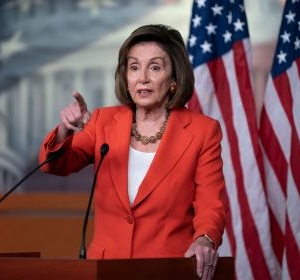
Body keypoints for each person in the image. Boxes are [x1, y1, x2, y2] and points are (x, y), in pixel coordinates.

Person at [39, 24, 227, 280]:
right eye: (134, 67)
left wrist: (205, 239)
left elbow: (210, 203)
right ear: (125, 77)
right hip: (105, 269)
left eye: (155, 67)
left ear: (174, 79)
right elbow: (55, 165)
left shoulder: (203, 131)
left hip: (167, 269)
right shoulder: (102, 122)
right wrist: (64, 131)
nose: (143, 78)